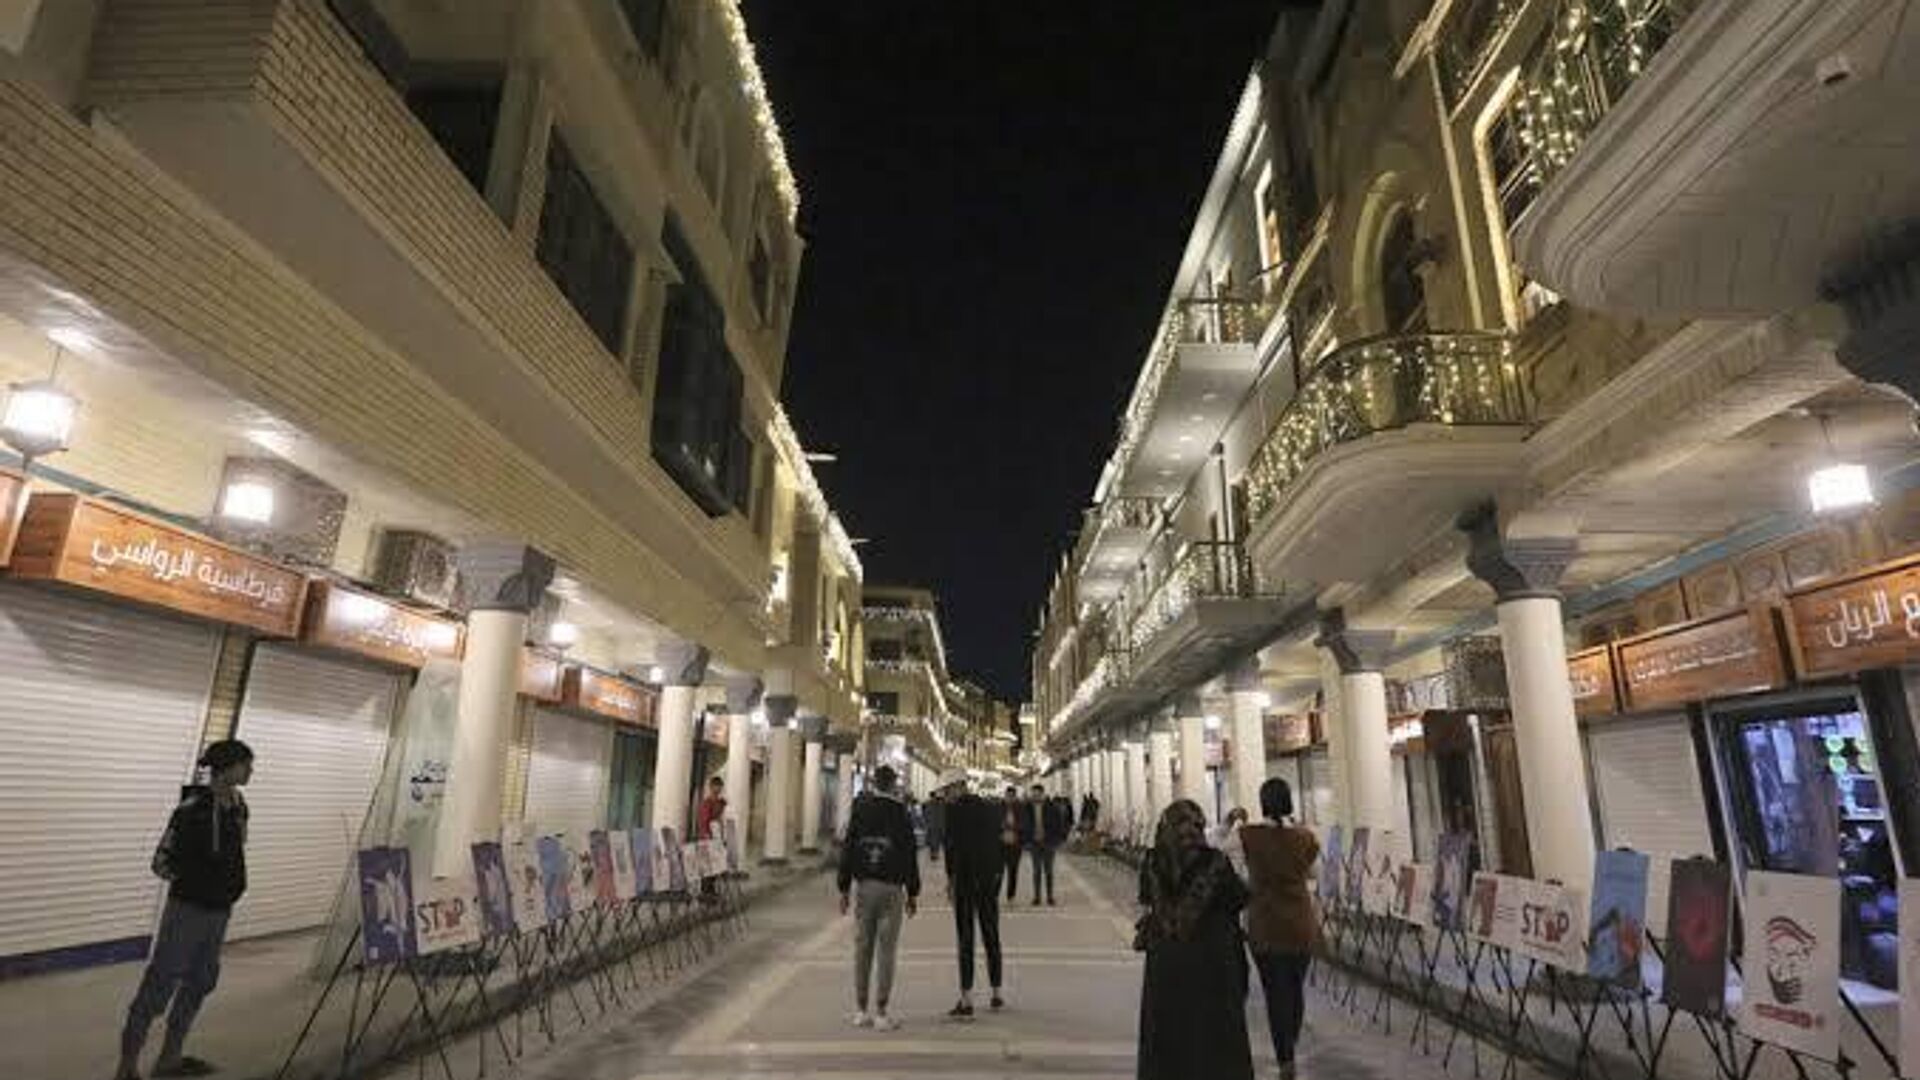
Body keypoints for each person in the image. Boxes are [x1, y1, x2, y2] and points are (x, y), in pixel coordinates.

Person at [116, 739, 254, 1080]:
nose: (250, 770)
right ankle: (127, 1067)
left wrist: (226, 888)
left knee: (200, 981)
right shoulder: (191, 810)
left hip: (219, 911)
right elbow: (161, 862)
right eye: (245, 764)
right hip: (187, 912)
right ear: (226, 767)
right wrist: (195, 881)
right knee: (160, 983)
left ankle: (170, 1058)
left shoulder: (239, 807)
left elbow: (237, 851)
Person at [1135, 799, 1254, 1080]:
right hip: (1211, 962)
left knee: (1166, 1030)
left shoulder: (1152, 861)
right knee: (1213, 1034)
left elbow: (1145, 897)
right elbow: (1238, 898)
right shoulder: (1215, 862)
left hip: (1165, 963)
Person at [1240, 778, 1321, 1080]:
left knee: (1275, 992)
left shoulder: (1248, 836)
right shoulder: (1305, 838)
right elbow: (1313, 872)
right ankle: (1291, 1041)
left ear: (1262, 803)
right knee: (1295, 988)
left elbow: (1222, 850)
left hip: (1265, 926)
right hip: (1300, 925)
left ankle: (1285, 1057)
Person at [837, 764, 920, 1032]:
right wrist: (913, 892)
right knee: (886, 951)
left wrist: (843, 887)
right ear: (894, 784)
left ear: (874, 783)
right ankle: (882, 1013)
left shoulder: (861, 809)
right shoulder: (900, 812)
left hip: (865, 887)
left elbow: (848, 847)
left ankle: (861, 1011)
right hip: (892, 888)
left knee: (863, 948)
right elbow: (909, 852)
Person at [939, 769, 1006, 1017]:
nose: (946, 796)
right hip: (987, 880)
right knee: (991, 935)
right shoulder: (990, 809)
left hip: (965, 880)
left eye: (947, 791)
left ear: (958, 787)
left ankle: (966, 999)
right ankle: (997, 993)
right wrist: (997, 875)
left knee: (965, 938)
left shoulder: (953, 811)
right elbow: (999, 845)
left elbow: (951, 847)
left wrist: (950, 879)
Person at [1029, 784, 1070, 906]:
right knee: (1036, 871)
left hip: (1049, 843)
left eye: (1037, 794)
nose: (1035, 796)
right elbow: (1025, 824)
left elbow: (1059, 824)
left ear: (1042, 794)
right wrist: (1027, 841)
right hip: (1034, 843)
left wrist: (1058, 840)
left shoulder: (1052, 807)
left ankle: (1050, 896)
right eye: (1033, 794)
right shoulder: (1028, 807)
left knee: (1048, 871)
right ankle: (1037, 897)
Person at [999, 785, 1026, 902]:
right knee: (999, 870)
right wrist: (1002, 826)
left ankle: (1011, 895)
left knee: (1013, 870)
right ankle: (995, 892)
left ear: (1015, 797)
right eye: (1008, 796)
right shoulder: (999, 807)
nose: (1009, 798)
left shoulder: (1020, 808)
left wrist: (1014, 826)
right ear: (1005, 796)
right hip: (1001, 844)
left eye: (1012, 796)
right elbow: (994, 823)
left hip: (1015, 844)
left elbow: (1024, 824)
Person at [695, 775, 727, 840]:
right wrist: (707, 836)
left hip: (719, 834)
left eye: (720, 786)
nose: (718, 788)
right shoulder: (706, 803)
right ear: (711, 787)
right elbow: (703, 823)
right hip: (709, 836)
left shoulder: (722, 802)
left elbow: (724, 817)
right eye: (716, 785)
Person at [924, 788, 947, 863]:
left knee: (935, 841)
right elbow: (927, 815)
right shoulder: (937, 804)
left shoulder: (936, 804)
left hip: (935, 825)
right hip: (933, 825)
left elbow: (941, 815)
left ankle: (935, 853)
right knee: (933, 841)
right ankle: (934, 854)